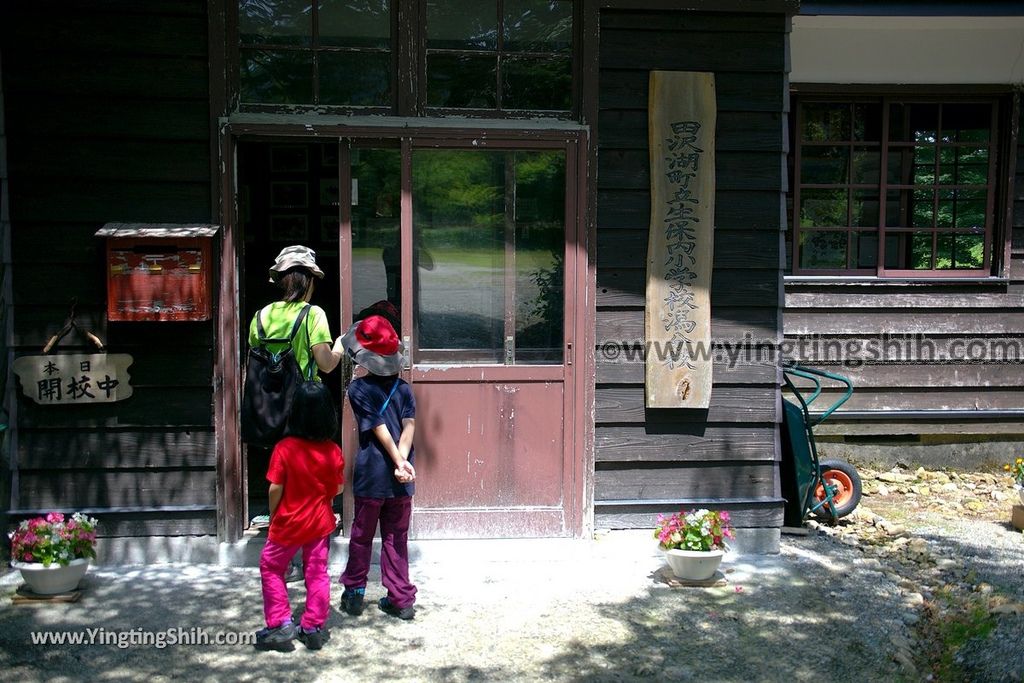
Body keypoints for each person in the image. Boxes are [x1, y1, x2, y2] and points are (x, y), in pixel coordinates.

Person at [248, 245, 344, 581]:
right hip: (303, 411)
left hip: (267, 408)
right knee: (308, 484)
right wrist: (342, 346)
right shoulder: (314, 315)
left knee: (279, 479)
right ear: (308, 281)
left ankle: (281, 558)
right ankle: (310, 557)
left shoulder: (260, 316)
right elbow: (326, 364)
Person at [337, 315, 418, 620]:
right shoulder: (405, 389)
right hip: (401, 481)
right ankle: (401, 599)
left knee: (361, 535)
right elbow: (408, 427)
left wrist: (397, 461)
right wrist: (404, 463)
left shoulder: (358, 390)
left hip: (372, 476)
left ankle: (355, 593)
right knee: (397, 538)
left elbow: (378, 428)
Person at [254, 382, 345, 652]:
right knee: (316, 572)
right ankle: (313, 626)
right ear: (329, 414)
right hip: (319, 524)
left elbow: (275, 488)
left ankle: (280, 622)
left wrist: (274, 515)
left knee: (271, 567)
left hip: (288, 523)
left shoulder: (284, 448)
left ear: (296, 412)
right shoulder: (333, 451)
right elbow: (337, 488)